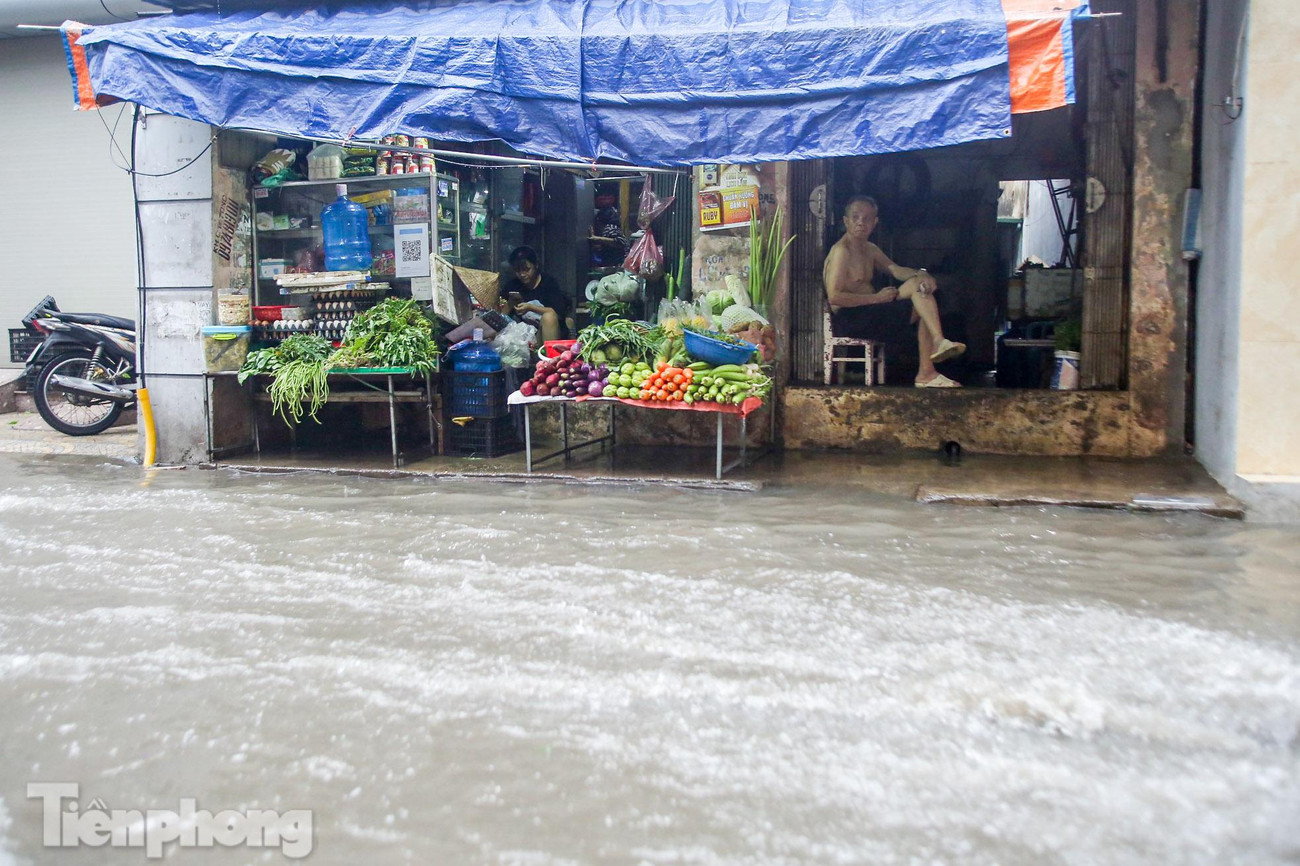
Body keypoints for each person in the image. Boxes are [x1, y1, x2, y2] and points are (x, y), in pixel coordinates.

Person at [822, 195, 966, 388]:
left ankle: (938, 343)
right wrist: (876, 298)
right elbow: (835, 296)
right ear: (846, 221)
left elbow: (895, 270)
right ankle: (927, 371)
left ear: (875, 222)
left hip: (872, 310)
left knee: (920, 288)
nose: (860, 223)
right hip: (850, 318)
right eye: (855, 217)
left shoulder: (870, 248)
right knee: (923, 305)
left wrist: (921, 273)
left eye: (866, 218)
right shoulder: (842, 251)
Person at [501, 246, 567, 343]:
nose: (522, 274)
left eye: (526, 269)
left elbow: (557, 313)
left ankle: (549, 356)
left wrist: (530, 307)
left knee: (548, 317)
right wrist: (510, 304)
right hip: (521, 337)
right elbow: (500, 317)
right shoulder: (512, 285)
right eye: (517, 270)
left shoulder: (549, 283)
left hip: (545, 332)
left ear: (536, 265)